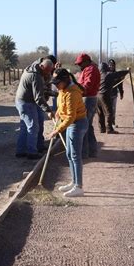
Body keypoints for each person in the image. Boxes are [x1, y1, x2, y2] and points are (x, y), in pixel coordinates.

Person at [48, 68, 88, 197]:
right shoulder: (62, 90)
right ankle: (74, 182)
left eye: (57, 83)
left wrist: (57, 130)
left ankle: (79, 187)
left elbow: (71, 116)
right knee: (69, 154)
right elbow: (61, 104)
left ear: (65, 80)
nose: (56, 85)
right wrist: (57, 112)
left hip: (78, 124)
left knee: (75, 155)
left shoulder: (73, 93)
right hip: (71, 124)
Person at [15, 58, 55, 159]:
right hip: (26, 103)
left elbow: (42, 91)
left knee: (25, 126)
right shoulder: (35, 76)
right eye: (47, 71)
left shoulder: (34, 69)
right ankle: (32, 153)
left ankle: (21, 151)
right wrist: (49, 111)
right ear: (42, 67)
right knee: (33, 127)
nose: (48, 73)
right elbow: (38, 98)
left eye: (49, 71)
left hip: (25, 101)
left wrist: (55, 94)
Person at [75, 53, 100, 159]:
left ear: (86, 61)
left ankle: (84, 152)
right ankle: (92, 151)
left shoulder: (90, 69)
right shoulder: (89, 69)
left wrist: (75, 90)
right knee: (87, 126)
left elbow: (87, 86)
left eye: (80, 64)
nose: (79, 66)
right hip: (89, 99)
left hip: (88, 99)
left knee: (83, 126)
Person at [97, 63, 129, 134]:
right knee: (109, 112)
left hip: (97, 96)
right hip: (104, 95)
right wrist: (127, 71)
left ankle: (102, 129)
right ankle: (109, 129)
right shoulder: (108, 75)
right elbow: (118, 74)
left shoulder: (98, 75)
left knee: (100, 113)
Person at [108, 59, 124, 128]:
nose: (111, 66)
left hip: (114, 94)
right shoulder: (106, 74)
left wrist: (121, 93)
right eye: (110, 65)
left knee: (113, 109)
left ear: (114, 66)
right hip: (106, 95)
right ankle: (107, 124)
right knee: (107, 109)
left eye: (113, 65)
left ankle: (113, 123)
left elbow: (120, 85)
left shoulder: (116, 74)